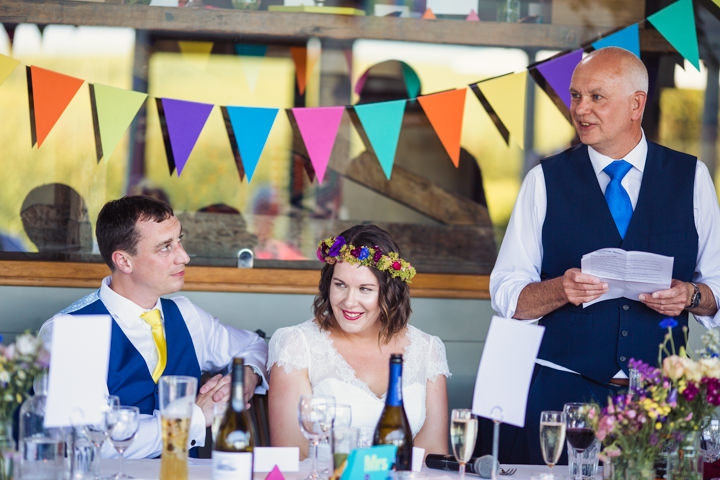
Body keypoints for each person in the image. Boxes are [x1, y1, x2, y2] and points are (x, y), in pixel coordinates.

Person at [486, 46, 720, 464]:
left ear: (636, 104)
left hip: (658, 403)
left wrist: (690, 295)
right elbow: (507, 295)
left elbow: (717, 286)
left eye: (596, 97)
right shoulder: (544, 180)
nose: (580, 109)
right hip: (559, 397)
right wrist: (560, 289)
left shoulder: (692, 177)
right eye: (575, 96)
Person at [39, 195, 268, 459]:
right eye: (165, 247)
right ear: (124, 261)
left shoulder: (186, 314)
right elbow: (88, 443)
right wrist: (195, 417)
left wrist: (247, 377)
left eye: (179, 240)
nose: (184, 257)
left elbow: (255, 345)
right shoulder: (70, 330)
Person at [267, 224, 449, 457]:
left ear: (390, 291)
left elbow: (432, 455)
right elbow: (291, 456)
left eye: (365, 289)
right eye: (340, 285)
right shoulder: (296, 345)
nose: (349, 302)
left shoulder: (427, 349)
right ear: (327, 284)